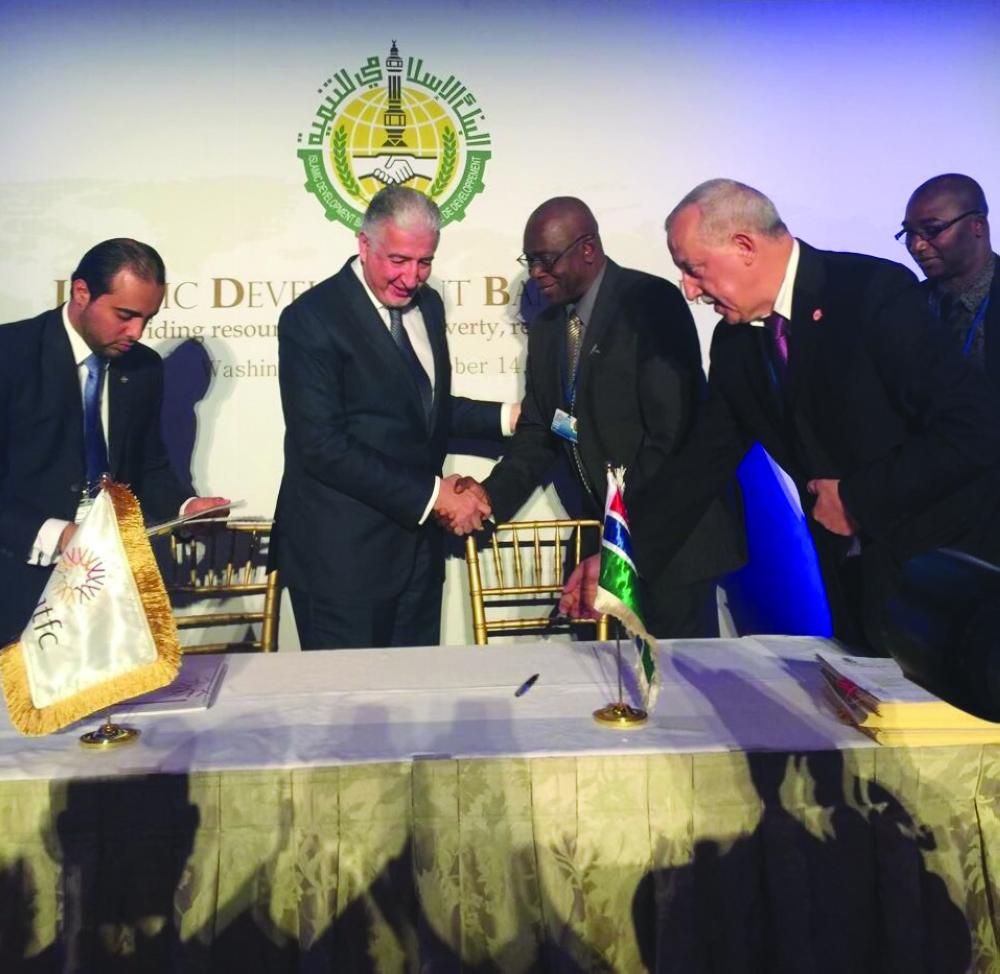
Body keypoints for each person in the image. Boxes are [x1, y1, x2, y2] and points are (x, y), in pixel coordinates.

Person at [561, 179, 1000, 652]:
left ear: (744, 246)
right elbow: (698, 465)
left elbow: (974, 427)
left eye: (694, 269)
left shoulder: (871, 291)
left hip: (940, 577)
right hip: (850, 579)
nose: (688, 290)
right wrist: (620, 557)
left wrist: (858, 497)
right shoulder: (735, 343)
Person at [448, 197, 743, 637]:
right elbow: (540, 431)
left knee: (675, 692)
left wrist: (620, 540)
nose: (535, 274)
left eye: (546, 260)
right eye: (530, 261)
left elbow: (670, 437)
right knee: (599, 685)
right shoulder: (549, 327)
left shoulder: (650, 302)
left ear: (587, 248)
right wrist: (490, 498)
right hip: (602, 541)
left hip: (669, 542)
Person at [273, 186, 516, 649]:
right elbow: (322, 445)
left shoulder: (429, 305)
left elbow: (420, 408)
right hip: (341, 565)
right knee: (347, 711)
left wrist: (507, 417)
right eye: (399, 260)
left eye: (424, 262)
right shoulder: (311, 319)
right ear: (364, 245)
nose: (412, 277)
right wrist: (435, 495)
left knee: (417, 708)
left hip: (419, 559)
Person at [0, 238, 228, 644]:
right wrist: (59, 533)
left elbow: (150, 465)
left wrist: (186, 506)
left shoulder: (143, 368)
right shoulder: (9, 354)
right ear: (82, 292)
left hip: (109, 587)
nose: (136, 332)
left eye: (147, 318)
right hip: (15, 580)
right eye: (124, 315)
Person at [899, 174, 999, 378]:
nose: (917, 245)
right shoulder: (907, 303)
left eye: (932, 230)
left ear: (977, 226)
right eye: (909, 233)